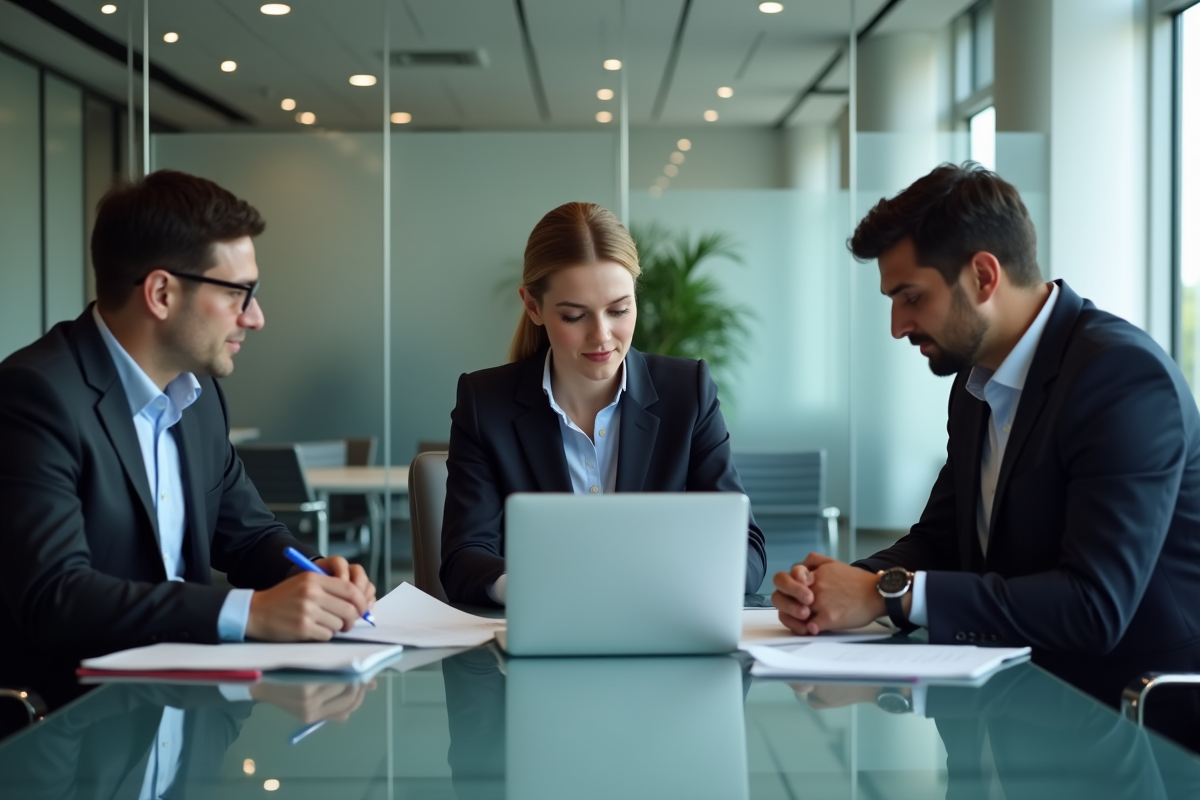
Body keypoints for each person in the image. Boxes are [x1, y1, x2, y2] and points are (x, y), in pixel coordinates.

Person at [771, 163, 1200, 745]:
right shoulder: (976, 382)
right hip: (1009, 704)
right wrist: (845, 585)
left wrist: (884, 596)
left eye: (911, 297)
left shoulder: (1121, 379)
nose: (897, 326)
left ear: (982, 276)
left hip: (1127, 722)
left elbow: (1093, 606)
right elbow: (944, 538)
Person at [0, 170, 376, 688]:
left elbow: (249, 537)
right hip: (72, 725)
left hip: (186, 706)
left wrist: (311, 575)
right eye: (239, 293)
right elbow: (56, 596)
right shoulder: (35, 396)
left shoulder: (197, 399)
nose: (256, 317)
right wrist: (251, 613)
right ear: (160, 293)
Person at [440, 202, 767, 605]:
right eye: (575, 316)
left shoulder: (688, 391)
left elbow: (746, 548)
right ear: (533, 306)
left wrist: (675, 584)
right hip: (543, 636)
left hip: (662, 628)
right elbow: (464, 558)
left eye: (619, 310)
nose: (602, 336)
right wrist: (532, 589)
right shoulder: (486, 404)